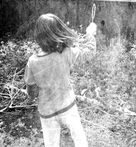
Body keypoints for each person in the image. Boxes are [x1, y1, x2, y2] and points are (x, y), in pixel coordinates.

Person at [24, 13, 97, 147]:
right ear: (59, 32)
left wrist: (35, 92)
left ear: (39, 36)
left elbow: (31, 93)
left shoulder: (33, 62)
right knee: (79, 139)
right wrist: (90, 33)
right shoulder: (66, 53)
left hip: (47, 112)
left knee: (51, 143)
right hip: (67, 107)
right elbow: (90, 52)